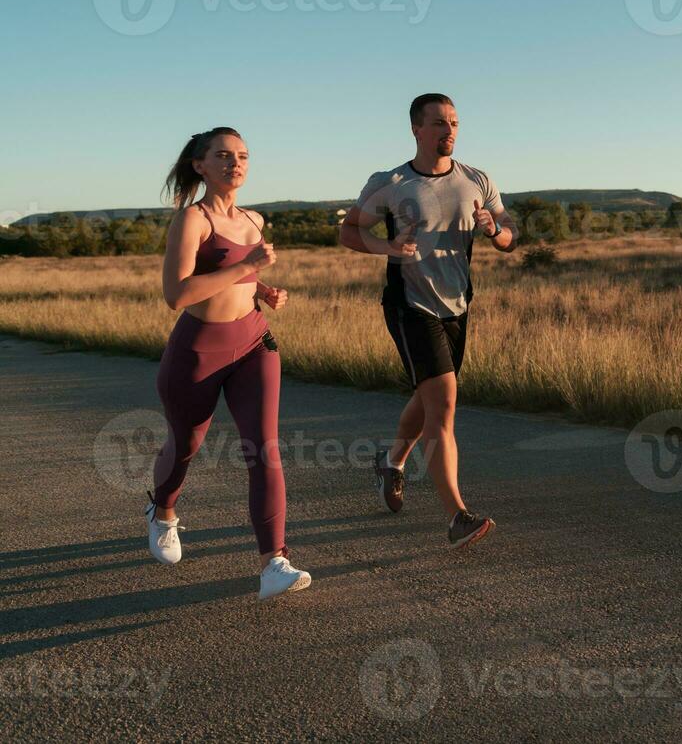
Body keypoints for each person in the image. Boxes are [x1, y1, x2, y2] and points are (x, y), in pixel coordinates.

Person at [339, 93, 517, 548]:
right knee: (444, 406)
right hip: (410, 305)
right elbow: (350, 230)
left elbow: (509, 236)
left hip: (458, 305)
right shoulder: (392, 183)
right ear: (416, 129)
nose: (449, 130)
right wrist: (388, 247)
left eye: (454, 122)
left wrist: (494, 230)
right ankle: (458, 515)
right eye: (438, 123)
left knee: (430, 397)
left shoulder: (477, 179)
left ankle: (392, 462)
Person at [148, 127, 311, 601]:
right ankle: (162, 511)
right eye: (222, 155)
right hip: (198, 352)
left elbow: (242, 275)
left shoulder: (253, 219)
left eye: (242, 156)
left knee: (264, 449)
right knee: (184, 447)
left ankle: (274, 563)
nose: (234, 163)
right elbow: (177, 294)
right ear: (200, 165)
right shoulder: (192, 221)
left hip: (253, 343)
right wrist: (246, 269)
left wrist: (263, 291)